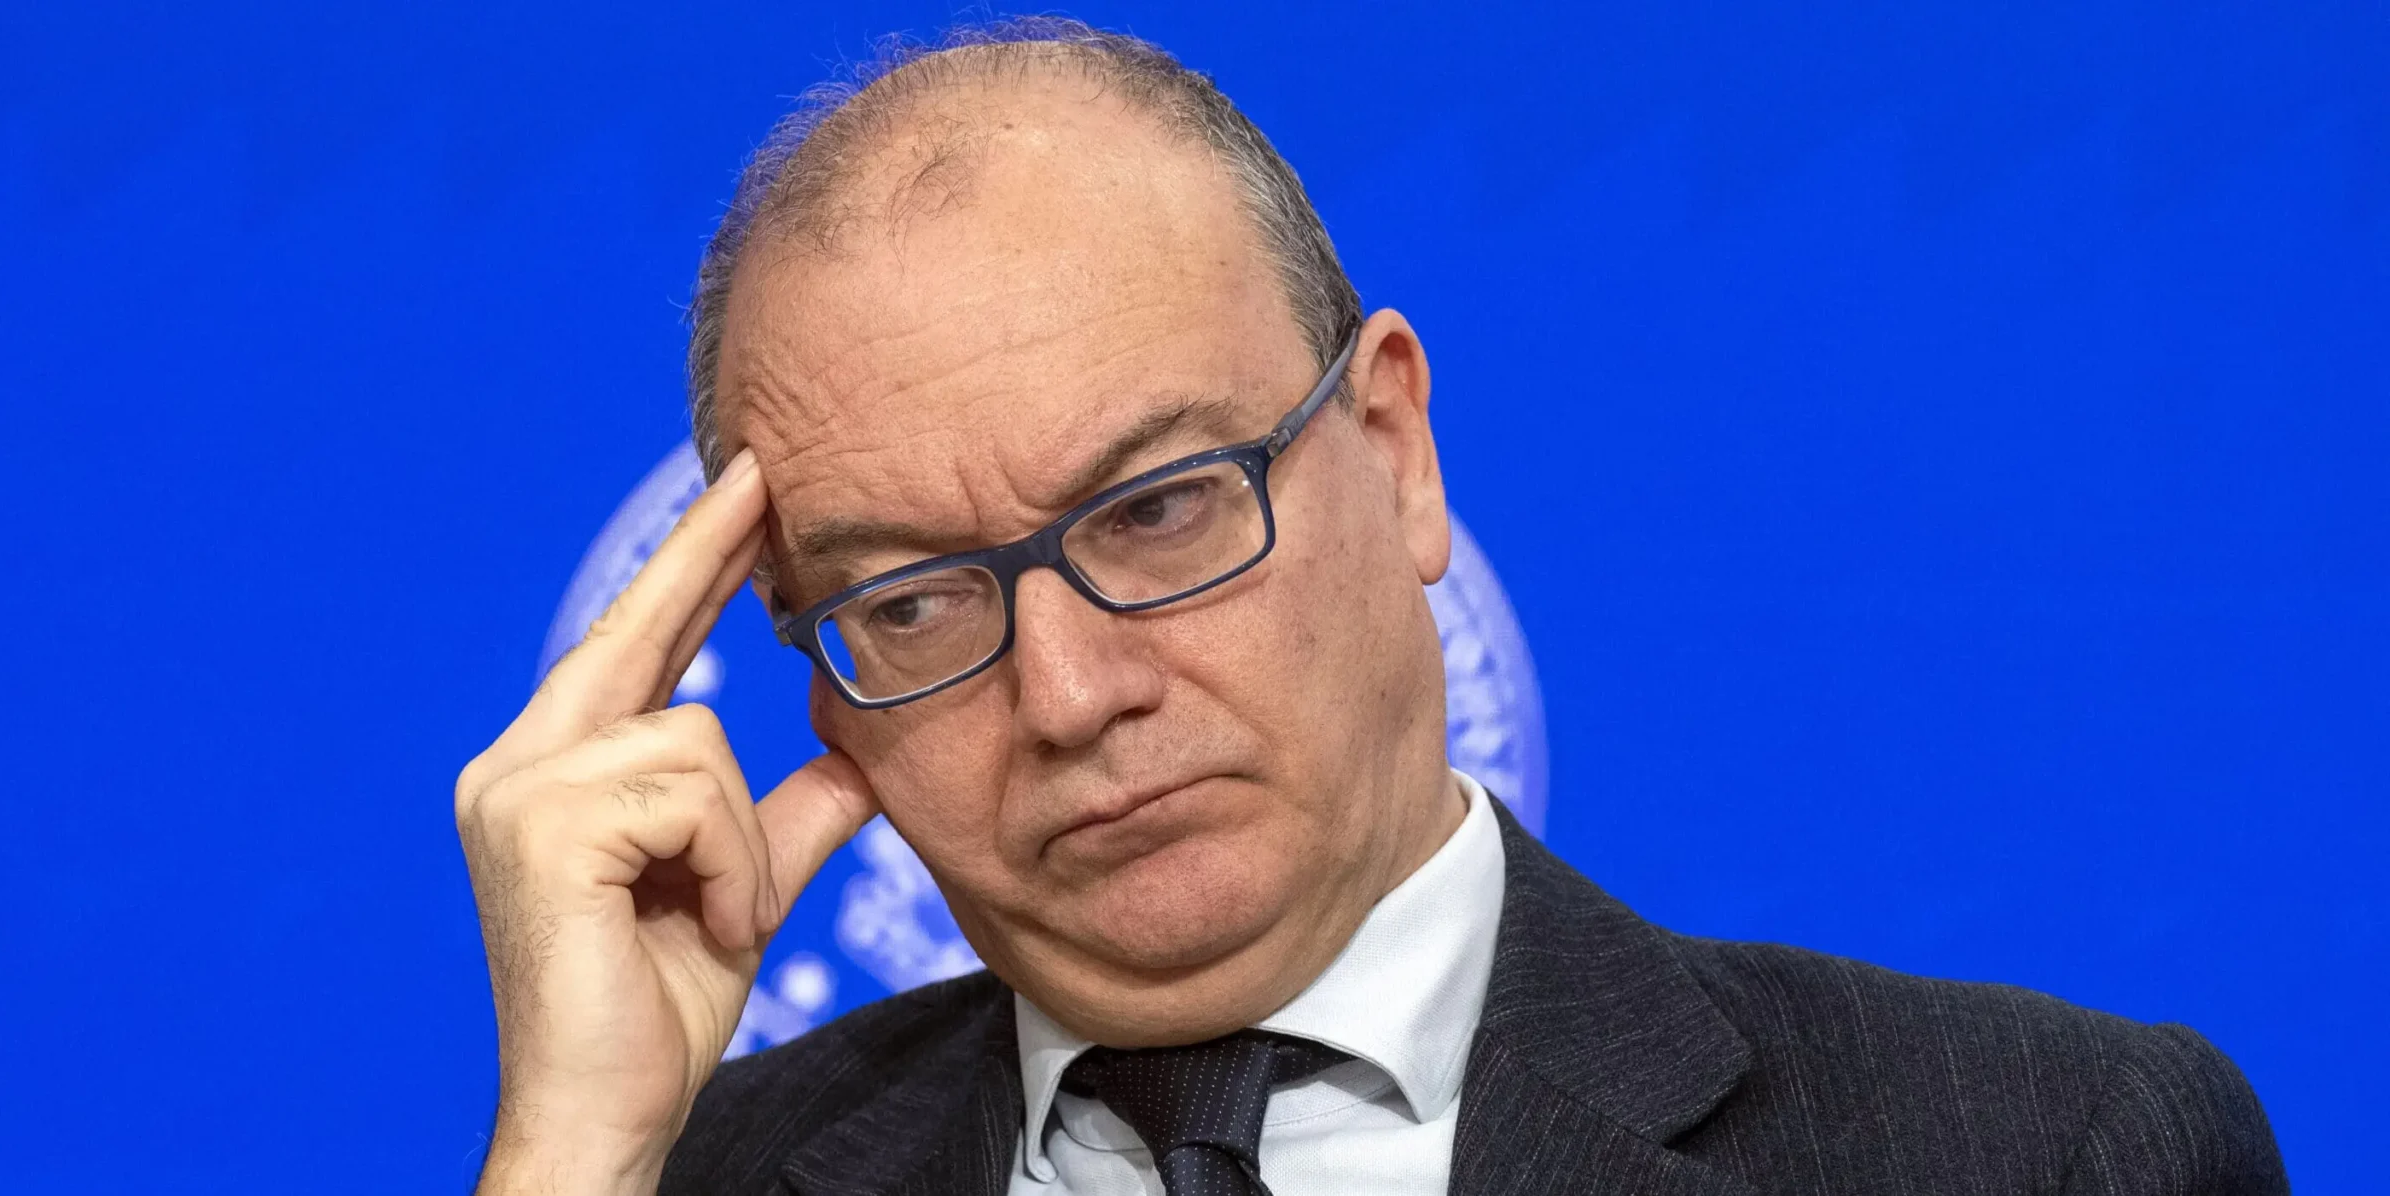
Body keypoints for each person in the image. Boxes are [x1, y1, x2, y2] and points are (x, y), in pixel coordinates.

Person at [452, 17, 2287, 1196]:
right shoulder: (672, 1178)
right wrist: (574, 1158)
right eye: (916, 605)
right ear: (816, 684)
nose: (1073, 696)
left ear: (1396, 451)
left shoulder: (2042, 1147)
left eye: (1157, 509)